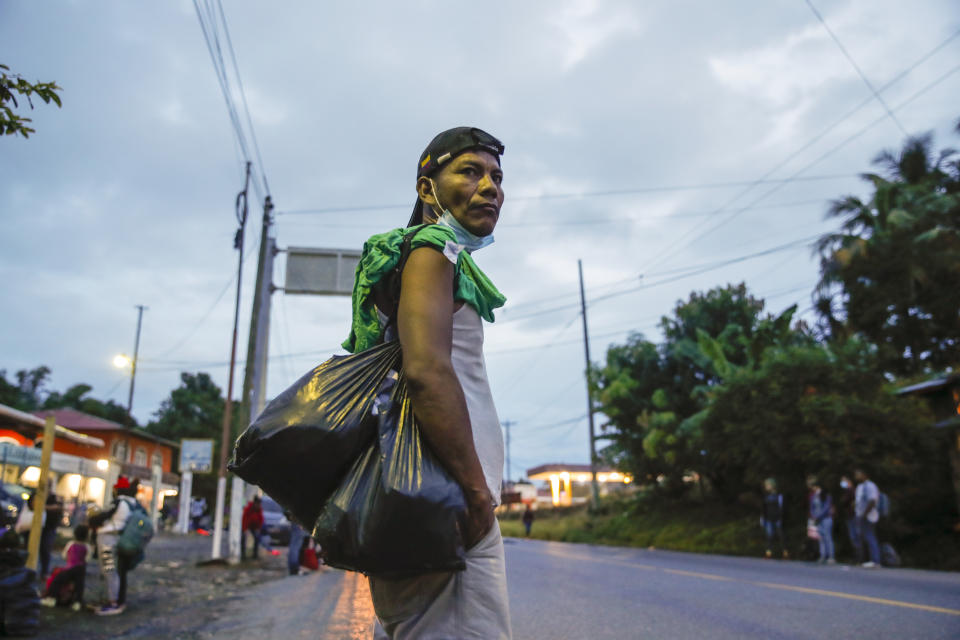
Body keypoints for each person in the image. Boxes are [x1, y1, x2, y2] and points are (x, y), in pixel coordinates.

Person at [343, 127, 511, 639]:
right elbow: (426, 372)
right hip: (447, 496)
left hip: (425, 493)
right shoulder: (431, 251)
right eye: (470, 171)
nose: (491, 187)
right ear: (426, 189)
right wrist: (476, 492)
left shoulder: (426, 255)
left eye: (497, 177)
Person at [90, 476, 138, 615]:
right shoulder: (132, 503)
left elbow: (102, 516)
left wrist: (92, 519)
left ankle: (113, 602)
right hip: (118, 538)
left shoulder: (118, 502)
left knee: (109, 569)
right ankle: (114, 600)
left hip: (107, 539)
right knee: (112, 570)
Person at [41, 524, 89, 609]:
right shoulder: (87, 546)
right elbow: (87, 559)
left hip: (70, 568)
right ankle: (77, 602)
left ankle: (51, 598)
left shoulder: (71, 544)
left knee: (57, 580)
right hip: (81, 569)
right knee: (79, 585)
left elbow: (64, 556)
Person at [854, 468, 881, 567]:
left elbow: (872, 500)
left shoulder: (870, 486)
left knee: (870, 537)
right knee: (863, 538)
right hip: (860, 515)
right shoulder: (860, 486)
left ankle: (875, 560)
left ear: (864, 475)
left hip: (868, 516)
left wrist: (865, 514)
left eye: (858, 474)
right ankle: (864, 559)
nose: (856, 476)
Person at [808, 479, 835, 564]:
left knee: (828, 537)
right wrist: (813, 515)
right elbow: (811, 507)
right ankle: (822, 555)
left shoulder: (826, 495)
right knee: (820, 538)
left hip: (826, 518)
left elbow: (826, 508)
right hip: (817, 519)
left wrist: (818, 516)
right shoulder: (813, 496)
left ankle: (831, 556)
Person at [39, 491, 63, 580]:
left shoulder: (53, 497)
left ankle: (44, 572)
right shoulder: (38, 495)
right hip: (38, 527)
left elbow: (59, 507)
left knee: (45, 550)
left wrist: (43, 507)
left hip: (49, 527)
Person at [761, 478, 788, 559]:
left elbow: (782, 508)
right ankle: (768, 553)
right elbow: (764, 508)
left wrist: (781, 518)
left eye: (768, 485)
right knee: (769, 536)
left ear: (773, 486)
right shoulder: (766, 496)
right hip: (769, 519)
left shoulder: (779, 496)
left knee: (781, 536)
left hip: (778, 519)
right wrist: (763, 518)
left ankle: (785, 553)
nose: (766, 487)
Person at [838, 475, 859, 562]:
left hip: (853, 516)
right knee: (854, 536)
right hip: (851, 516)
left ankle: (859, 558)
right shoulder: (849, 490)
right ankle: (858, 557)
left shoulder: (851, 490)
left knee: (855, 536)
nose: (842, 483)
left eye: (844, 481)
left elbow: (844, 501)